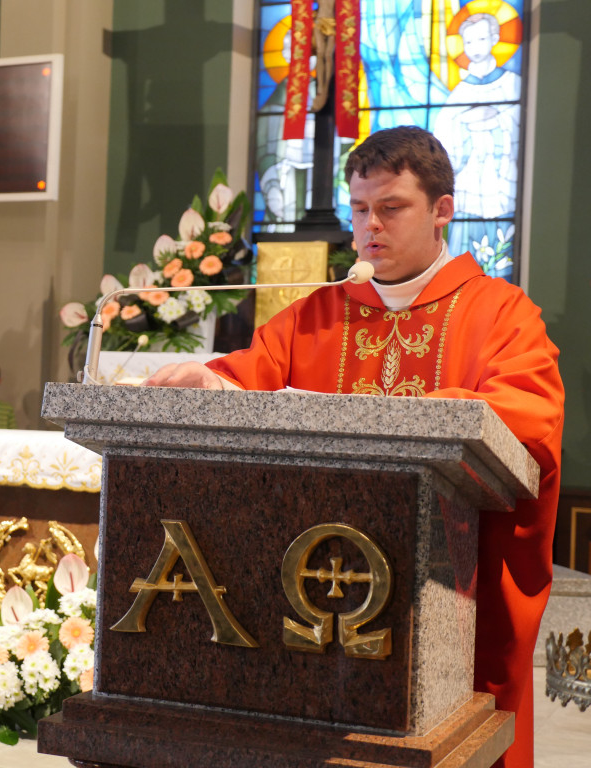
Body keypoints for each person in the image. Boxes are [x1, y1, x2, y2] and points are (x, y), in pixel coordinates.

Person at [144, 126, 563, 768]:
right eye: (360, 210)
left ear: (442, 209)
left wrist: (415, 419)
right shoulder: (318, 314)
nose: (371, 227)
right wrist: (212, 378)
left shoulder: (501, 314)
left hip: (447, 606)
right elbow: (247, 375)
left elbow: (527, 421)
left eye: (391, 208)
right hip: (313, 602)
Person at [433, 12, 521, 269]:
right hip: (470, 189)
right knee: (462, 259)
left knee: (501, 258)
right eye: (468, 42)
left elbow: (517, 125)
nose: (475, 48)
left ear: (495, 39)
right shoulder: (459, 93)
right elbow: (442, 145)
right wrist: (464, 124)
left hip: (502, 188)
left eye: (481, 39)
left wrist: (496, 120)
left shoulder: (513, 85)